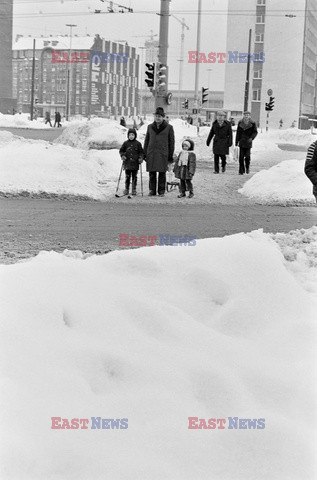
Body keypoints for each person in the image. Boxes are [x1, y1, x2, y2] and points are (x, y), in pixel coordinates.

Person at [143, 107, 175, 197]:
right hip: (151, 152)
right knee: (152, 173)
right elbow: (147, 140)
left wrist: (170, 155)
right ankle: (152, 190)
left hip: (163, 153)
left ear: (163, 117)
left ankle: (161, 191)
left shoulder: (169, 128)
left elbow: (171, 142)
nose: (158, 118)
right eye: (156, 116)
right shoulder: (150, 127)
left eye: (160, 116)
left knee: (162, 172)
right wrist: (144, 152)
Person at [119, 128, 144, 196]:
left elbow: (141, 152)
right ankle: (126, 189)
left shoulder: (138, 144)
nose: (131, 136)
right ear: (128, 135)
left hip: (135, 163)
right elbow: (121, 151)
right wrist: (123, 155)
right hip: (127, 163)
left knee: (134, 177)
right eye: (130, 135)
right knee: (127, 176)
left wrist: (141, 158)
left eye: (133, 135)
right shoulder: (125, 143)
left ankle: (134, 189)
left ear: (135, 135)